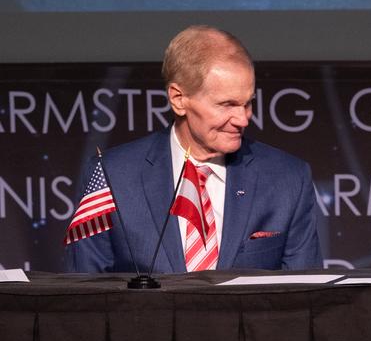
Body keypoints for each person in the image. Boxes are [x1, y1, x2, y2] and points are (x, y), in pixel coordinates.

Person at [66, 25, 321, 272]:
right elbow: (85, 296)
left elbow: (304, 298)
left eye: (248, 103)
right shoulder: (112, 176)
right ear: (178, 99)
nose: (243, 119)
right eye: (227, 104)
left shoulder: (288, 179)